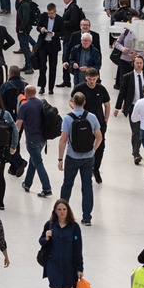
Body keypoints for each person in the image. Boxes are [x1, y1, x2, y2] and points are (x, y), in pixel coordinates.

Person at [58, 91, 102, 226]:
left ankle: (62, 215)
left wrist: (60, 159)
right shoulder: (92, 117)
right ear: (84, 102)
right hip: (88, 158)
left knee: (67, 185)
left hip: (72, 157)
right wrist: (93, 150)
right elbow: (99, 136)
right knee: (87, 186)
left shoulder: (68, 118)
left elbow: (63, 140)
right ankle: (87, 217)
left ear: (73, 103)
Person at [70, 69, 111, 183]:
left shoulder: (101, 89)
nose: (92, 81)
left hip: (98, 123)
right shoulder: (80, 88)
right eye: (89, 79)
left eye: (94, 79)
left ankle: (96, 169)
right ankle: (85, 168)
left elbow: (107, 105)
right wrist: (78, 111)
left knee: (100, 146)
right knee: (84, 145)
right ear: (86, 77)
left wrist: (105, 120)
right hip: (83, 123)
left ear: (97, 78)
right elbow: (71, 101)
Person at [39, 198, 84, 288]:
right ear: (55, 211)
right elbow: (41, 241)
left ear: (68, 210)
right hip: (53, 264)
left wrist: (80, 268)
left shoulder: (74, 227)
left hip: (69, 266)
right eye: (59, 209)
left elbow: (78, 248)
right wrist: (46, 238)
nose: (62, 212)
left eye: (64, 209)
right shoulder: (49, 225)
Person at [114, 53, 144, 166]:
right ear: (133, 64)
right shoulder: (128, 77)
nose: (139, 65)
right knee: (136, 131)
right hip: (133, 107)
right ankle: (136, 154)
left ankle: (136, 149)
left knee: (143, 130)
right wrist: (117, 107)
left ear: (143, 64)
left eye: (141, 63)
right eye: (137, 63)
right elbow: (122, 93)